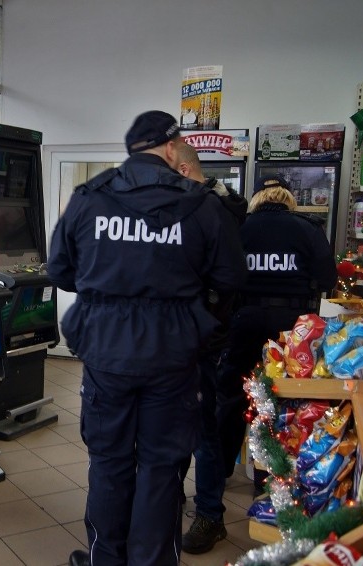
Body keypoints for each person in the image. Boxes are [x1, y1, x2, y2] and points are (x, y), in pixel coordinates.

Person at [48, 110, 247, 566]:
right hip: (174, 359)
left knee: (110, 462)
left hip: (106, 355)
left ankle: (106, 559)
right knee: (161, 468)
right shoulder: (200, 204)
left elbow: (60, 270)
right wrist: (198, 320)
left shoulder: (89, 198)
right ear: (173, 148)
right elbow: (232, 278)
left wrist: (109, 288)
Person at [213, 175, 338, 494]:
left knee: (231, 395)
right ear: (289, 200)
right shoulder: (308, 228)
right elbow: (327, 278)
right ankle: (279, 476)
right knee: (286, 397)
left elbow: (221, 275)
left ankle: (220, 467)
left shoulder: (240, 228)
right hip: (293, 329)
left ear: (257, 200)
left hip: (245, 320)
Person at [174, 143, 247, 555]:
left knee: (203, 431)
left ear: (184, 169)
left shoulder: (211, 212)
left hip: (199, 339)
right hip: (185, 336)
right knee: (180, 424)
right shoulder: (207, 205)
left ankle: (210, 516)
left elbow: (227, 282)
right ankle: (175, 498)